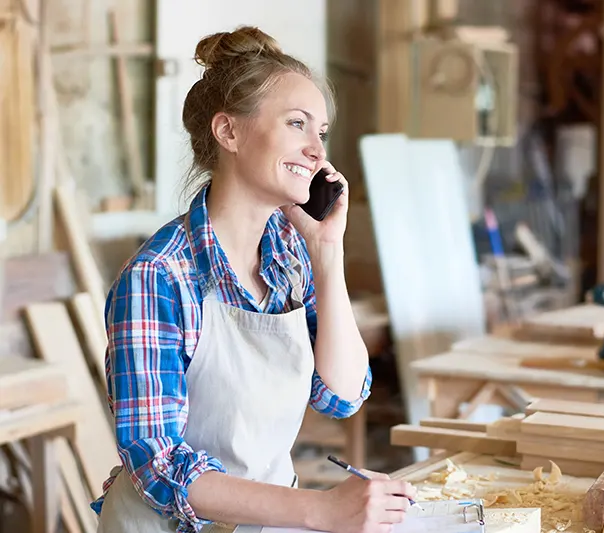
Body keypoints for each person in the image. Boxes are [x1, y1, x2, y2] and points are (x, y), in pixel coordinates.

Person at [93, 25, 416, 533]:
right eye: (297, 124)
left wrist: (327, 253)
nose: (316, 150)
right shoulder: (159, 278)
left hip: (263, 523)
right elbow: (157, 467)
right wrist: (322, 509)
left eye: (322, 132)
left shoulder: (289, 256)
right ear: (229, 132)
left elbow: (342, 394)